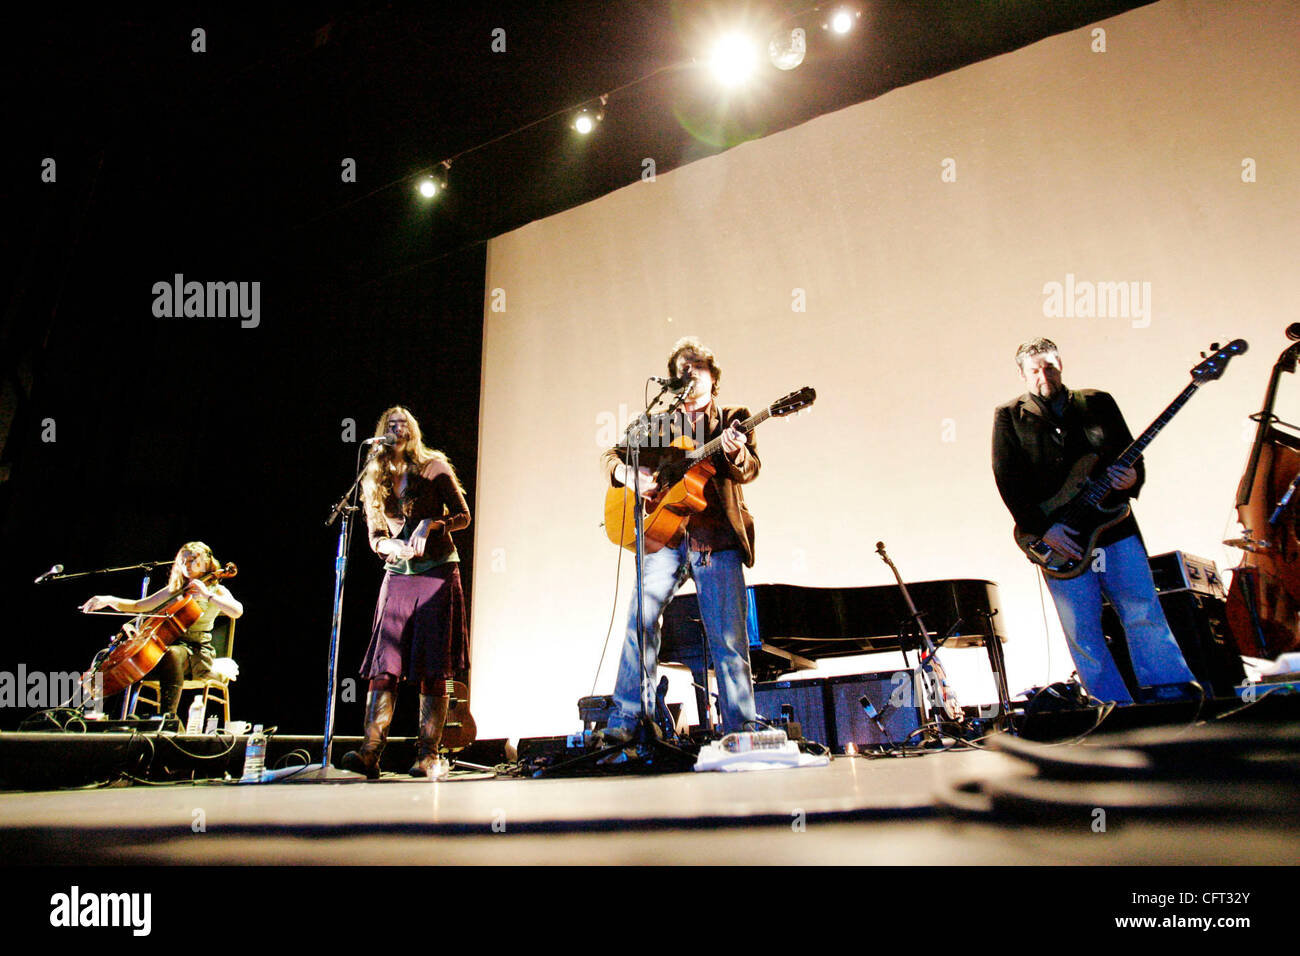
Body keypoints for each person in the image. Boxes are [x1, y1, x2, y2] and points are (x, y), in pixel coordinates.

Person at [991, 337, 1200, 703]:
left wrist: (1133, 479)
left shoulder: (1097, 402)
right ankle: (1112, 705)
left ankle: (1171, 691)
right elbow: (1008, 479)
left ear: (1061, 366)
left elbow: (1130, 451)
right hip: (1060, 537)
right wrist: (1043, 531)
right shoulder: (1009, 416)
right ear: (1022, 374)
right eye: (1035, 369)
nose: (1044, 375)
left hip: (1114, 527)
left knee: (1142, 609)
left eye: (1050, 366)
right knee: (1082, 630)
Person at [597, 336, 761, 744]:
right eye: (682, 370)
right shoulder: (659, 423)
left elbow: (750, 469)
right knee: (640, 626)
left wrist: (737, 453)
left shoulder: (732, 419)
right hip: (664, 540)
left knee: (728, 637)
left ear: (712, 376)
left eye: (697, 368)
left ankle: (741, 727)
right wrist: (630, 476)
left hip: (714, 540)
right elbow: (611, 458)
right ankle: (627, 720)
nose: (690, 375)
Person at [340, 406, 471, 779]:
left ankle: (428, 754)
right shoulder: (373, 477)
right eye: (390, 425)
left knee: (433, 663)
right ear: (382, 432)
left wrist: (432, 523)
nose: (397, 429)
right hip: (398, 573)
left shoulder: (433, 466)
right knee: (386, 662)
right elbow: (375, 539)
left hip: (438, 572)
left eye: (404, 424)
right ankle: (370, 752)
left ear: (412, 431)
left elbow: (463, 516)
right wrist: (390, 548)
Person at [81, 541, 243, 724]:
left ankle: (168, 718)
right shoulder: (175, 590)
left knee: (172, 654)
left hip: (195, 653)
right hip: (163, 652)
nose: (186, 565)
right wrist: (108, 599)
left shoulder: (216, 589)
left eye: (192, 560)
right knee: (111, 656)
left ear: (206, 561)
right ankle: (96, 715)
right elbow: (138, 606)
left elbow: (237, 611)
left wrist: (207, 595)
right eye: (182, 561)